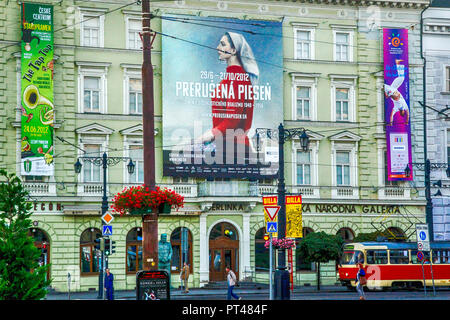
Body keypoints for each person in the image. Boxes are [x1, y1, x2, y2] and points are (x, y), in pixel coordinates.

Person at [195, 32, 259, 164]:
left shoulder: (237, 79)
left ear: (234, 50)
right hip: (228, 147)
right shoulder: (233, 78)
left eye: (223, 44)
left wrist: (207, 135)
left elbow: (232, 120)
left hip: (233, 149)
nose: (218, 47)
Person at [384, 59, 410, 126]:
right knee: (402, 78)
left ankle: (387, 94)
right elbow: (408, 115)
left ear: (402, 111)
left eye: (402, 112)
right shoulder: (405, 107)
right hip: (394, 89)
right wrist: (407, 122)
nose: (403, 111)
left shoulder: (396, 108)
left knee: (386, 88)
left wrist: (390, 123)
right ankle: (398, 63)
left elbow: (391, 116)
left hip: (392, 92)